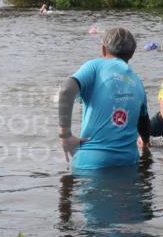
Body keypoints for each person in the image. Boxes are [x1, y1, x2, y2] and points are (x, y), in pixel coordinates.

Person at [58, 27, 151, 171]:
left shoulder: (95, 66)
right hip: (128, 164)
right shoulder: (138, 82)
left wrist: (65, 135)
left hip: (91, 164)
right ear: (132, 54)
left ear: (103, 49)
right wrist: (145, 145)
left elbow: (66, 91)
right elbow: (144, 123)